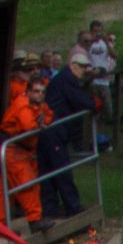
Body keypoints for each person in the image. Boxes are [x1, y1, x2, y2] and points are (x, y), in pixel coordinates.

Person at [41, 54, 96, 216]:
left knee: (50, 171)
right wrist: (93, 105)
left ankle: (50, 208)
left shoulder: (64, 78)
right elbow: (79, 100)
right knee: (61, 168)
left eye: (87, 66)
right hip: (54, 130)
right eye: (82, 66)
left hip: (53, 130)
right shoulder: (66, 79)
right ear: (72, 65)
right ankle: (73, 207)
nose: (85, 69)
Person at [0, 67, 44, 226]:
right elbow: (28, 127)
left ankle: (0, 223)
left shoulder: (35, 104)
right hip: (10, 148)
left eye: (41, 92)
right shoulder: (23, 104)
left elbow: (49, 115)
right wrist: (40, 123)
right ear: (29, 91)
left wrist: (42, 120)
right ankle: (34, 220)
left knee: (4, 186)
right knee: (26, 182)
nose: (39, 95)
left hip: (16, 148)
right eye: (36, 91)